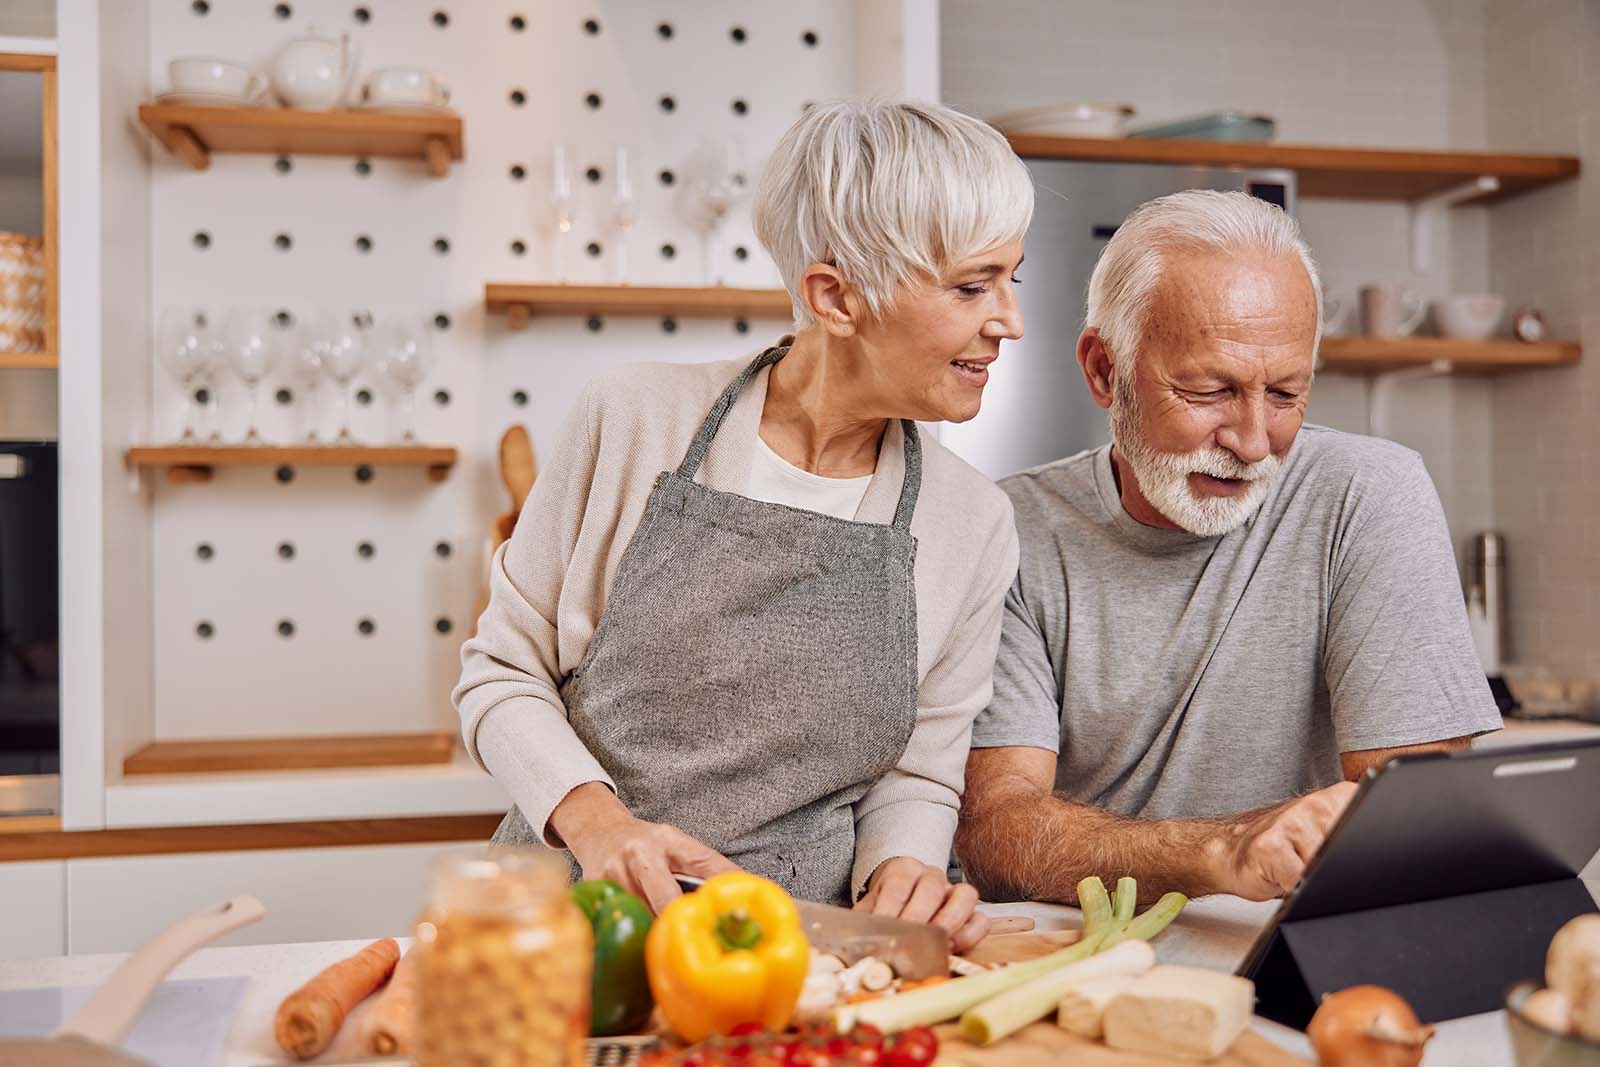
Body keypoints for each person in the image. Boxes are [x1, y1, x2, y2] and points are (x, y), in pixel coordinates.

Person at [454, 99, 1031, 950]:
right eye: (971, 285)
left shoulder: (972, 521)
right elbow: (500, 673)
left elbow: (919, 770)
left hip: (806, 955)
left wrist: (902, 866)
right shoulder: (635, 418)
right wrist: (601, 827)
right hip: (568, 934)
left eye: (1013, 278)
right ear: (835, 297)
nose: (1008, 319)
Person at [955, 190, 1502, 905]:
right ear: (1103, 370)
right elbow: (1001, 836)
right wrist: (1220, 853)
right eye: (1210, 389)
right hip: (1083, 943)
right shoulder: (1009, 526)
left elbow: (1411, 821)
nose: (1250, 443)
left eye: (1284, 394)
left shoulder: (1368, 494)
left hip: (1293, 935)